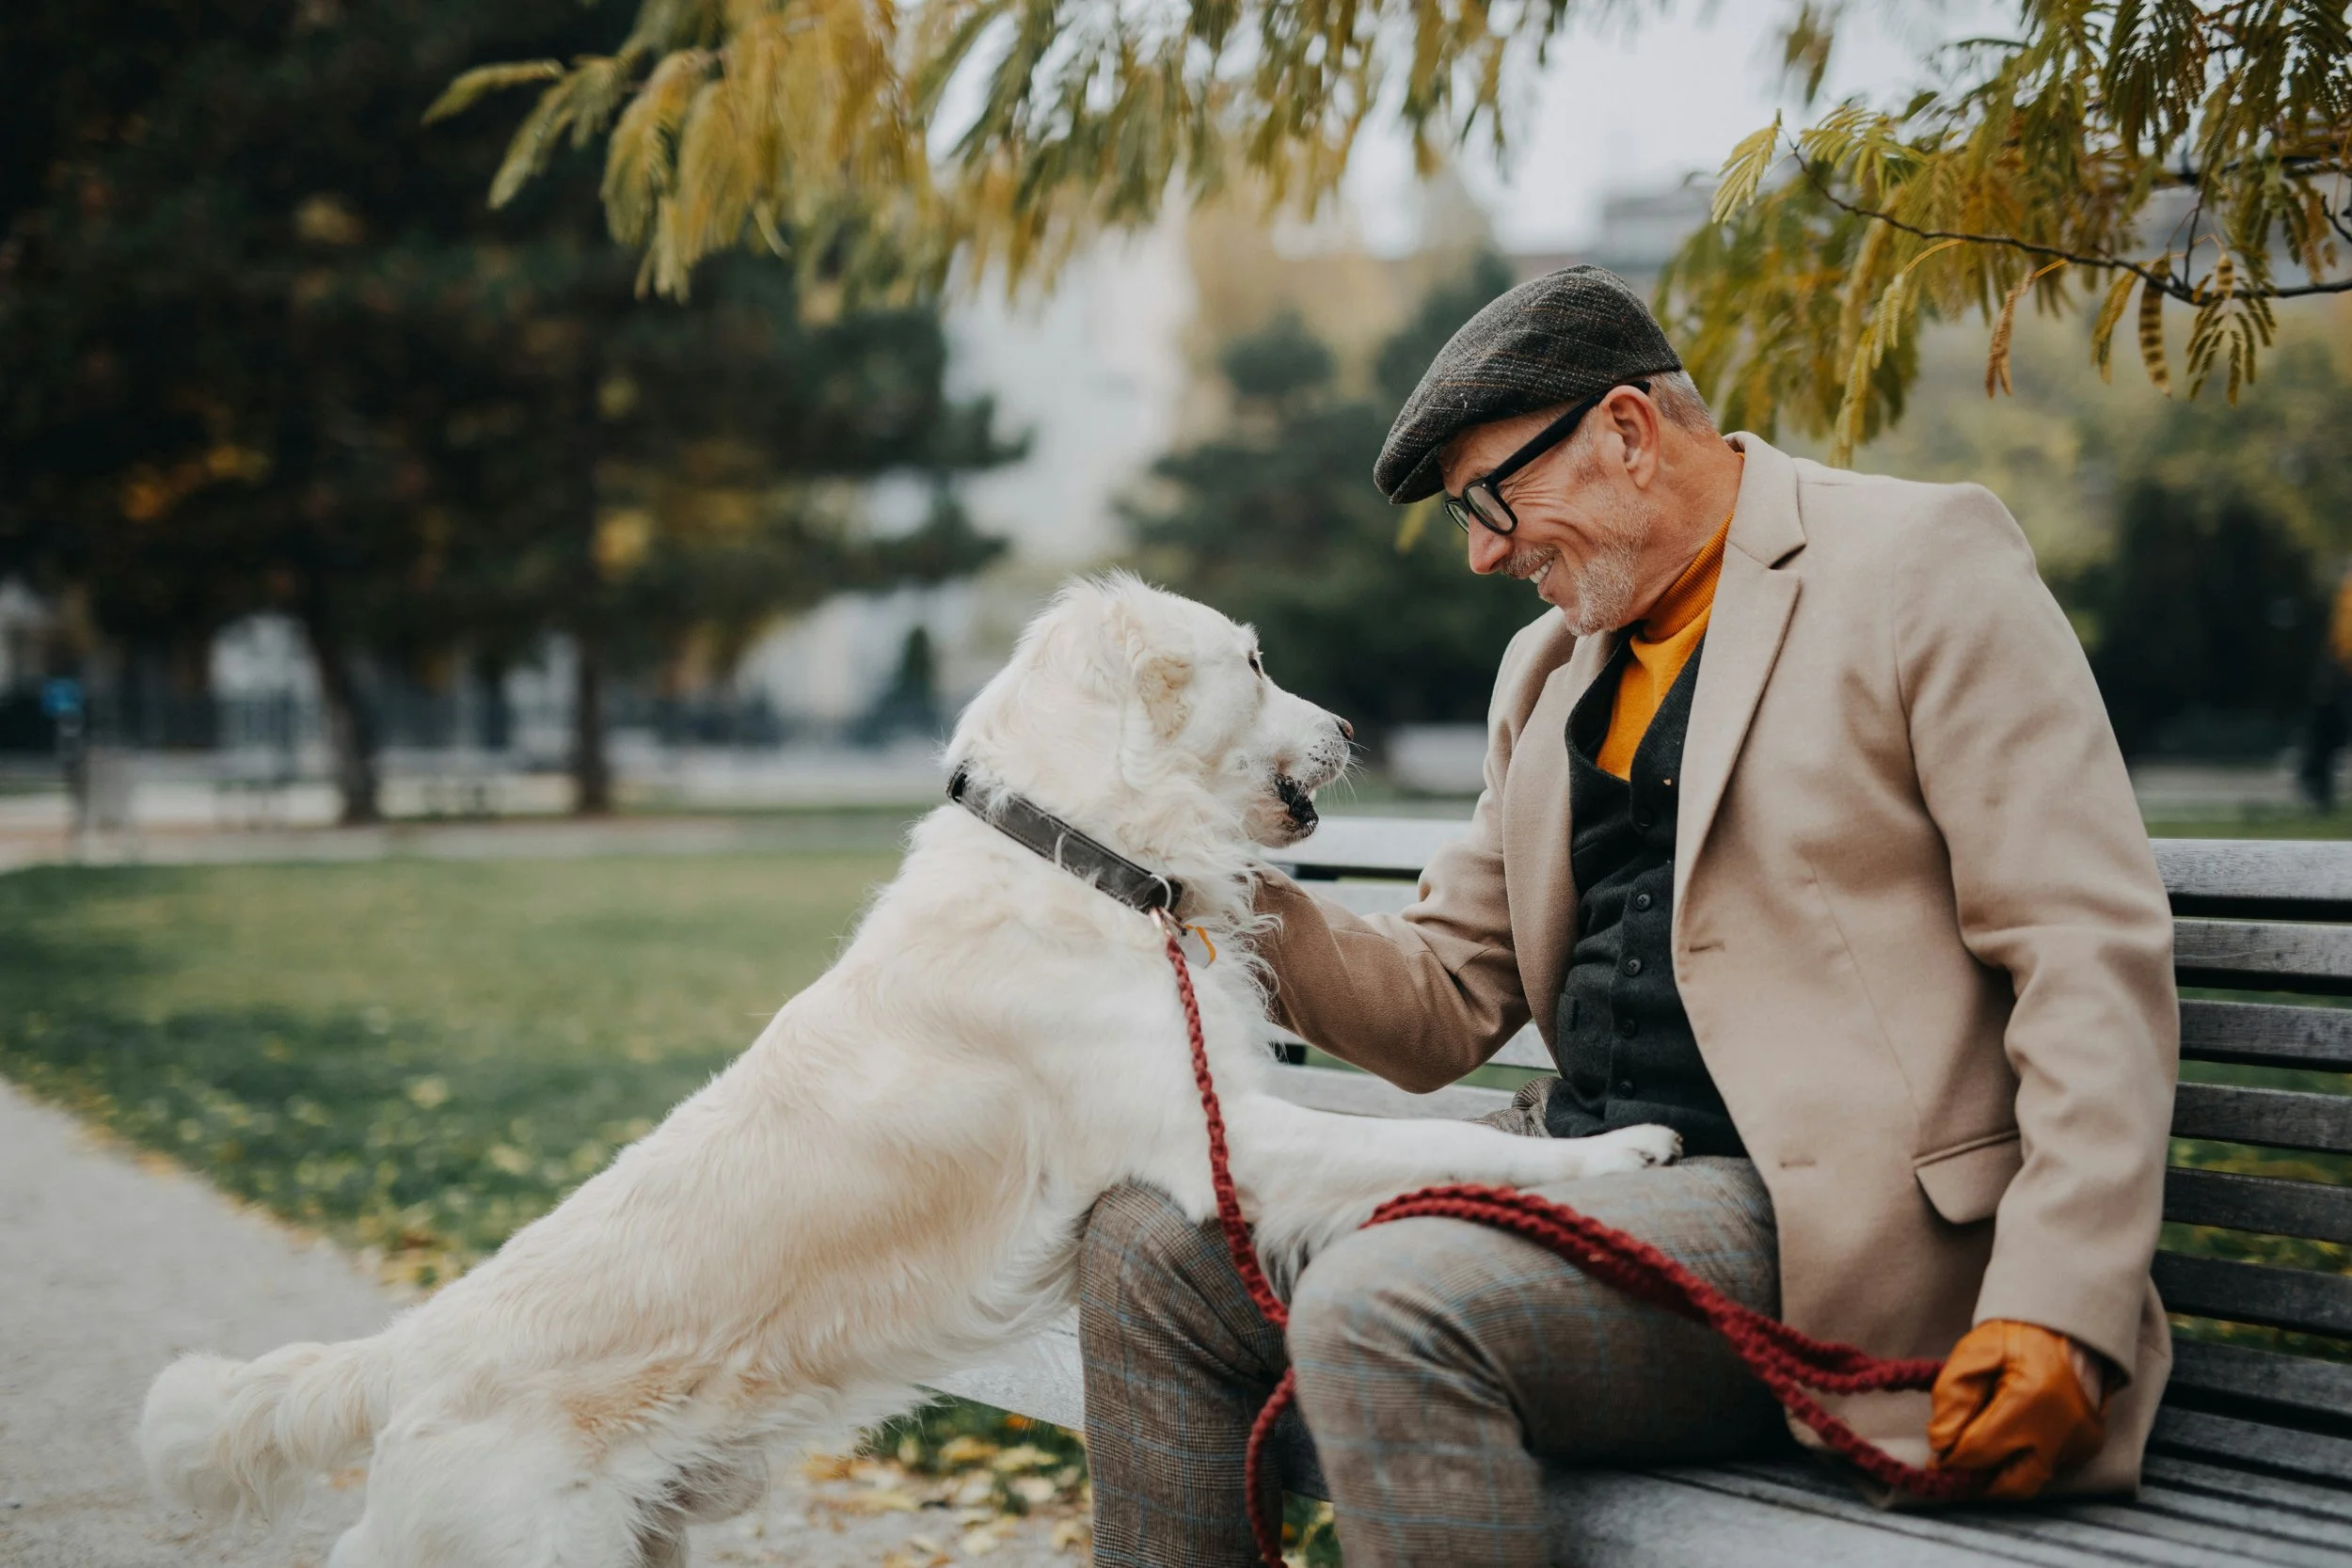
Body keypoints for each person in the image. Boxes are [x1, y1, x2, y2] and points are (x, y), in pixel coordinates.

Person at [1074, 266, 2177, 1567]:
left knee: (1390, 1299)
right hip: (1592, 1175)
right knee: (1148, 1245)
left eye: (1492, 497)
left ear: (1627, 432)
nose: (1484, 549)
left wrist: (2062, 1304)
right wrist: (1200, 867)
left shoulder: (1921, 562)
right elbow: (1439, 1004)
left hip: (1825, 1221)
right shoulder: (1546, 667)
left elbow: (2085, 951)